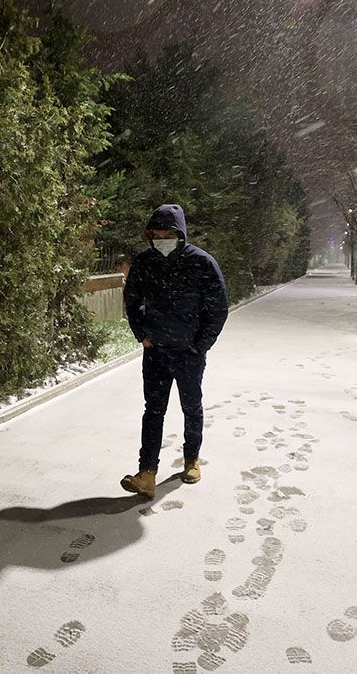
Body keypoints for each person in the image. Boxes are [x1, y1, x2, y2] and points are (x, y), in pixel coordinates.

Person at [120, 204, 228, 499]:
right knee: (153, 411)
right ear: (150, 233)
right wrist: (141, 335)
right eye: (157, 232)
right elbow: (131, 300)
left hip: (188, 352)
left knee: (191, 407)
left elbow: (217, 308)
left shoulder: (201, 263)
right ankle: (147, 473)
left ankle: (191, 460)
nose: (163, 237)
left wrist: (200, 344)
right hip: (156, 351)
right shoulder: (144, 262)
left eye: (169, 232)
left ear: (180, 233)